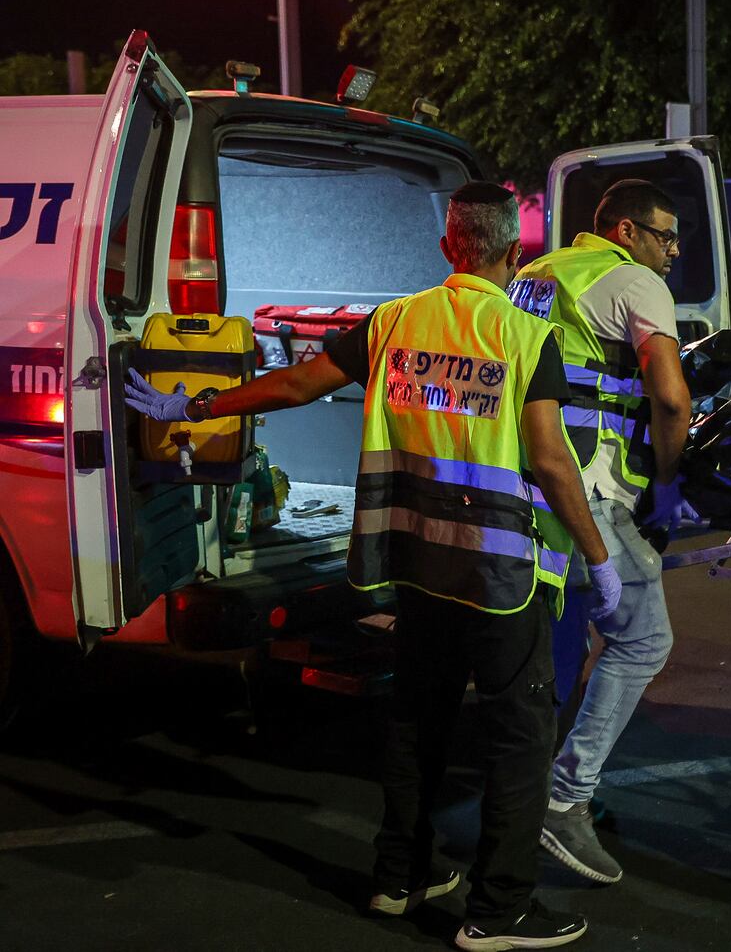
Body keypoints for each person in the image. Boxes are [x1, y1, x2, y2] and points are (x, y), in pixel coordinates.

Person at [126, 182, 612, 950]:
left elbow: (293, 384)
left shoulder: (392, 322)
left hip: (414, 562)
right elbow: (552, 461)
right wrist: (599, 557)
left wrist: (192, 408)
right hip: (497, 576)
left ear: (449, 246)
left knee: (419, 717)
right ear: (511, 253)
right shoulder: (524, 335)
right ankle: (499, 910)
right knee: (520, 738)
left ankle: (399, 876)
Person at [507, 178, 696, 886]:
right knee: (643, 637)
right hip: (592, 492)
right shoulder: (634, 284)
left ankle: (532, 794)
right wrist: (671, 482)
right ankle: (566, 797)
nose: (672, 249)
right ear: (624, 230)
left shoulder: (536, 275)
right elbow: (670, 397)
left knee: (555, 656)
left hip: (523, 487)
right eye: (664, 234)